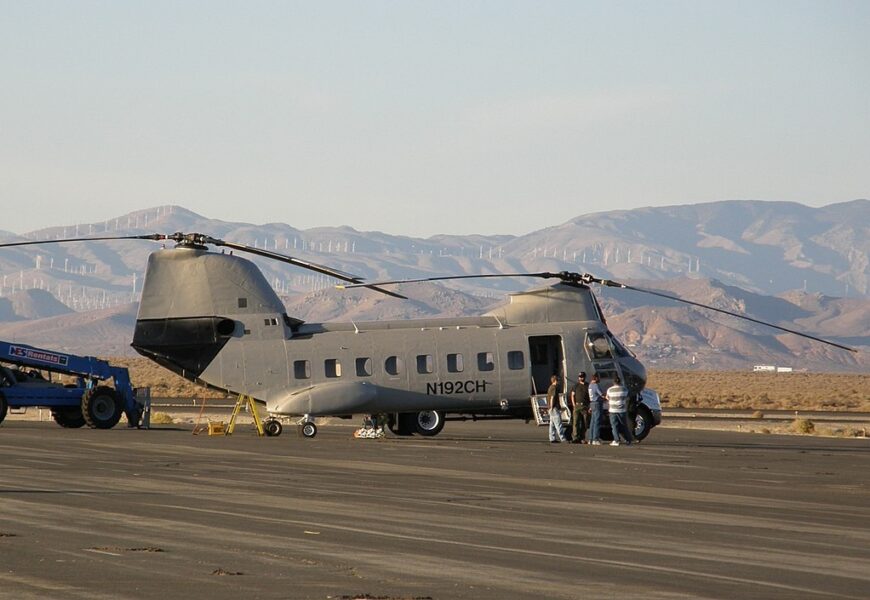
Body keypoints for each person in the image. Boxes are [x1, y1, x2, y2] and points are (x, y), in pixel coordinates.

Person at [606, 375, 631, 446]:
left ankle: (616, 440)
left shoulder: (610, 390)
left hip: (613, 410)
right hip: (622, 410)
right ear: (620, 382)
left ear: (613, 382)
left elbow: (607, 397)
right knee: (624, 425)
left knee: (614, 426)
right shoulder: (624, 389)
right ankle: (628, 439)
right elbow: (627, 398)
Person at [547, 374, 568, 443]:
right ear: (555, 380)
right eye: (558, 380)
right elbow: (552, 398)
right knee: (558, 423)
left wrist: (549, 408)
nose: (559, 382)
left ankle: (552, 438)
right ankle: (563, 438)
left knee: (552, 424)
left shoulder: (550, 387)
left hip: (551, 408)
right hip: (554, 408)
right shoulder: (554, 388)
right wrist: (552, 407)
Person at [569, 372, 589, 443]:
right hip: (577, 406)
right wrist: (574, 404)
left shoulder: (588, 385)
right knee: (575, 422)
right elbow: (572, 395)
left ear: (585, 377)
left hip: (585, 406)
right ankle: (575, 437)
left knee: (585, 422)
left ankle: (582, 437)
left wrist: (589, 406)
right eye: (580, 377)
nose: (581, 378)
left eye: (582, 377)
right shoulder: (576, 386)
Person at [587, 373, 604, 445]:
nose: (600, 379)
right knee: (597, 421)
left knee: (592, 422)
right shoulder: (596, 385)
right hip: (597, 403)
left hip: (592, 403)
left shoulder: (590, 386)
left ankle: (590, 439)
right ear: (596, 378)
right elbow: (601, 394)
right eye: (599, 378)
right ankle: (595, 439)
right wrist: (606, 396)